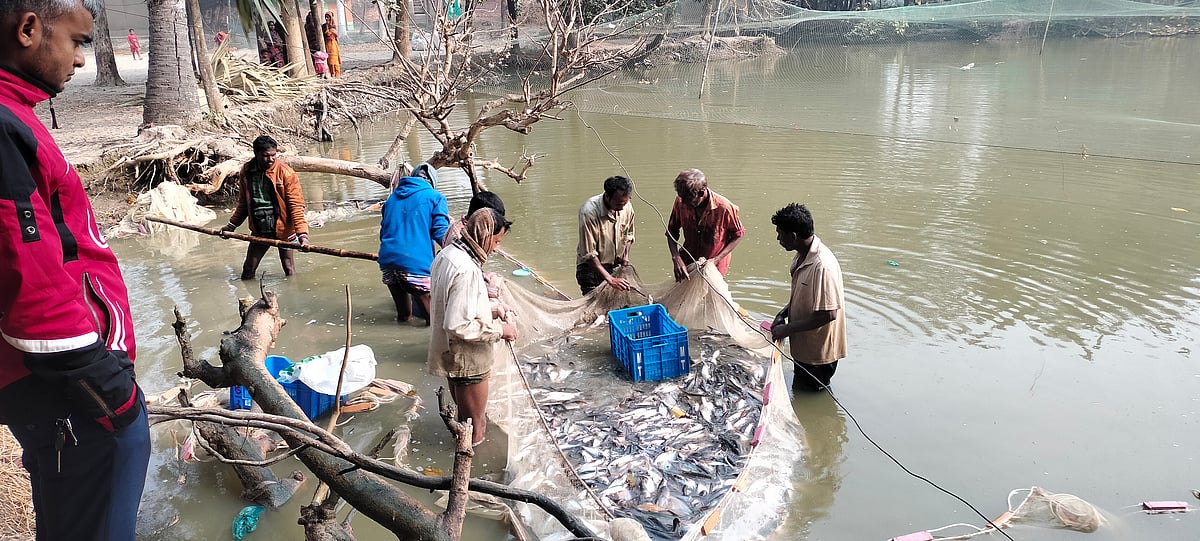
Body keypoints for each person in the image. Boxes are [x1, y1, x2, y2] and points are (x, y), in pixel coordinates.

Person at [0, 2, 151, 538]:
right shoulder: (2, 126)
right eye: (78, 41)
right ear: (28, 29)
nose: (82, 60)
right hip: (67, 385)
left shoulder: (15, 116)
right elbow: (29, 276)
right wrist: (115, 396)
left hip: (58, 384)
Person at [428, 208, 517, 446]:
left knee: (464, 419)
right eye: (496, 241)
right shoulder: (467, 269)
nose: (496, 248)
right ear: (484, 235)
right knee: (475, 427)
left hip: (450, 353)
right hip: (468, 358)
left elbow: (455, 304)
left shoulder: (447, 254)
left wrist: (494, 309)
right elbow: (458, 324)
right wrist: (500, 331)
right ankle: (470, 474)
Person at [769, 203, 847, 392]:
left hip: (818, 353)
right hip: (804, 347)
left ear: (793, 236)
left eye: (780, 234)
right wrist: (783, 313)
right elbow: (801, 295)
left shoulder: (822, 266)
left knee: (812, 393)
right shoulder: (801, 255)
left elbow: (827, 315)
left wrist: (786, 329)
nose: (778, 238)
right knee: (800, 388)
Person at [222, 135, 310, 280]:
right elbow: (244, 203)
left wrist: (302, 235)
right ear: (256, 154)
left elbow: (296, 206)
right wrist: (231, 226)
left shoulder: (286, 173)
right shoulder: (247, 171)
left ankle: (293, 298)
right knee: (248, 268)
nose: (270, 159)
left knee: (289, 268)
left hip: (283, 228)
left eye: (273, 155)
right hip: (259, 227)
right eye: (265, 156)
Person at [378, 163, 451, 324]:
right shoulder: (435, 197)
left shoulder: (391, 199)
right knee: (434, 321)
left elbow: (384, 232)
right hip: (415, 265)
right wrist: (460, 247)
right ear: (432, 182)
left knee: (404, 316)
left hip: (388, 261)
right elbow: (441, 232)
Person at [665, 168, 745, 281]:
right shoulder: (681, 201)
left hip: (714, 266)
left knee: (709, 296)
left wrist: (716, 259)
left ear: (701, 193)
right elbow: (672, 230)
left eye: (688, 200)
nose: (683, 203)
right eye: (681, 198)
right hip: (687, 261)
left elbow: (738, 235)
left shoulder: (724, 208)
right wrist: (676, 257)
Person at [576, 175, 636, 294]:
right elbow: (589, 253)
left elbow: (629, 234)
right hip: (591, 269)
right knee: (595, 309)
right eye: (619, 204)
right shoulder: (589, 212)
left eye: (625, 202)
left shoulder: (626, 206)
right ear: (607, 196)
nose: (622, 207)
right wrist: (610, 279)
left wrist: (625, 257)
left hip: (615, 267)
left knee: (620, 304)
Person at [322, 12, 342, 77]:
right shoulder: (324, 26)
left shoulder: (333, 26)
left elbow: (331, 33)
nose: (326, 18)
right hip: (327, 44)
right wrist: (326, 27)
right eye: (326, 17)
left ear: (331, 18)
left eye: (328, 17)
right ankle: (332, 73)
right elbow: (325, 34)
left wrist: (328, 29)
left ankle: (337, 75)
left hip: (333, 44)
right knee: (329, 60)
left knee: (335, 60)